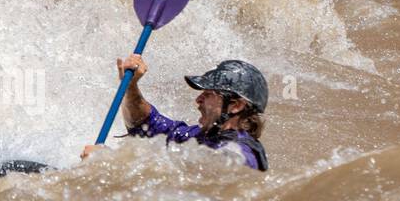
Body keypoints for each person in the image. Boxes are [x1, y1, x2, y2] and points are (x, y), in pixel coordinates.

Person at [81, 56, 269, 170]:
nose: (198, 100)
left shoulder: (243, 152)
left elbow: (199, 174)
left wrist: (110, 163)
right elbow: (144, 125)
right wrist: (130, 86)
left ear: (236, 106)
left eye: (208, 94)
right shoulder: (203, 137)